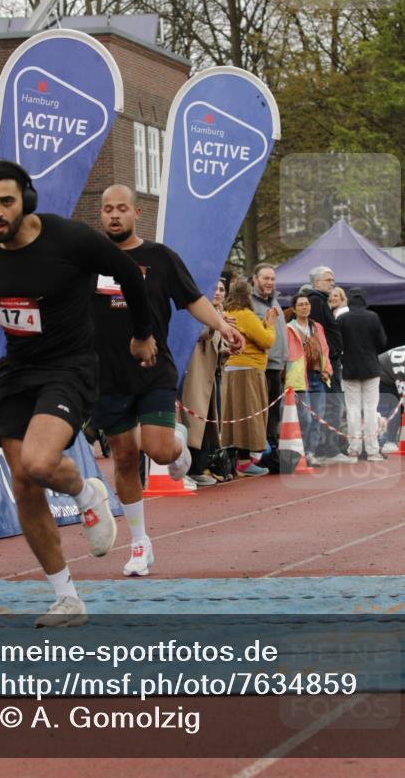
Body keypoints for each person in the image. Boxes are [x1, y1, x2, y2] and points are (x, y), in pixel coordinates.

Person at [0, 162, 157, 625]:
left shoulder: (69, 238)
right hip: (16, 372)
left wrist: (142, 334)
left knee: (38, 463)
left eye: (6, 201)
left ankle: (87, 492)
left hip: (70, 368)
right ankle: (67, 598)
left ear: (27, 199)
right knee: (24, 484)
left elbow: (128, 273)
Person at [92, 186, 244, 576]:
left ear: (136, 213)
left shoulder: (159, 258)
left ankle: (179, 451)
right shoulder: (90, 260)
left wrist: (222, 326)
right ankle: (140, 543)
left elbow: (193, 298)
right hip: (108, 375)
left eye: (121, 209)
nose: (114, 215)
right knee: (124, 457)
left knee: (157, 449)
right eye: (107, 209)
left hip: (154, 369)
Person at [220, 278, 276, 476]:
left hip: (230, 368)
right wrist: (270, 324)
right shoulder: (245, 314)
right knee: (250, 414)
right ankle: (244, 461)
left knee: (233, 415)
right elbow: (266, 340)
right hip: (249, 369)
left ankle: (233, 460)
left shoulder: (225, 314)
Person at [179, 277, 228, 488]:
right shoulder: (196, 313)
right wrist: (216, 326)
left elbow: (218, 347)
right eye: (214, 289)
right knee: (192, 422)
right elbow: (194, 335)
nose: (218, 293)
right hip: (195, 375)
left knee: (207, 424)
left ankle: (199, 468)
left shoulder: (220, 315)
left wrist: (228, 349)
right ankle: (185, 470)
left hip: (211, 376)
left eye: (222, 289)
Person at [306, 266, 353, 463]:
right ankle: (328, 449)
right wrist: (330, 353)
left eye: (333, 279)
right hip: (327, 362)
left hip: (330, 359)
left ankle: (327, 448)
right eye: (328, 279)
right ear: (317, 282)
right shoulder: (316, 301)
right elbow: (318, 331)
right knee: (333, 404)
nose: (332, 282)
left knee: (332, 404)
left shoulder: (320, 301)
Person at [338, 287, 387, 461]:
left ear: (349, 300)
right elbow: (382, 342)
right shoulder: (373, 317)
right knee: (371, 409)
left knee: (352, 410)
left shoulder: (342, 319)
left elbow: (338, 345)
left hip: (350, 369)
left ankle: (354, 449)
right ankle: (373, 450)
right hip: (371, 368)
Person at [285, 293, 332, 464]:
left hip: (317, 375)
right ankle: (301, 451)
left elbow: (325, 349)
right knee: (304, 417)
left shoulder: (317, 327)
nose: (305, 307)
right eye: (301, 304)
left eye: (307, 304)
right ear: (294, 309)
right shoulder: (289, 328)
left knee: (318, 416)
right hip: (299, 378)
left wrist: (327, 369)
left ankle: (311, 451)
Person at [250, 264, 288, 458]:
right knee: (261, 412)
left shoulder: (275, 301)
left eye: (272, 279)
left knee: (273, 412)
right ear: (255, 279)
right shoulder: (250, 303)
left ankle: (271, 449)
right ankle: (259, 453)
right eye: (265, 278)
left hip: (277, 366)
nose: (269, 283)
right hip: (261, 366)